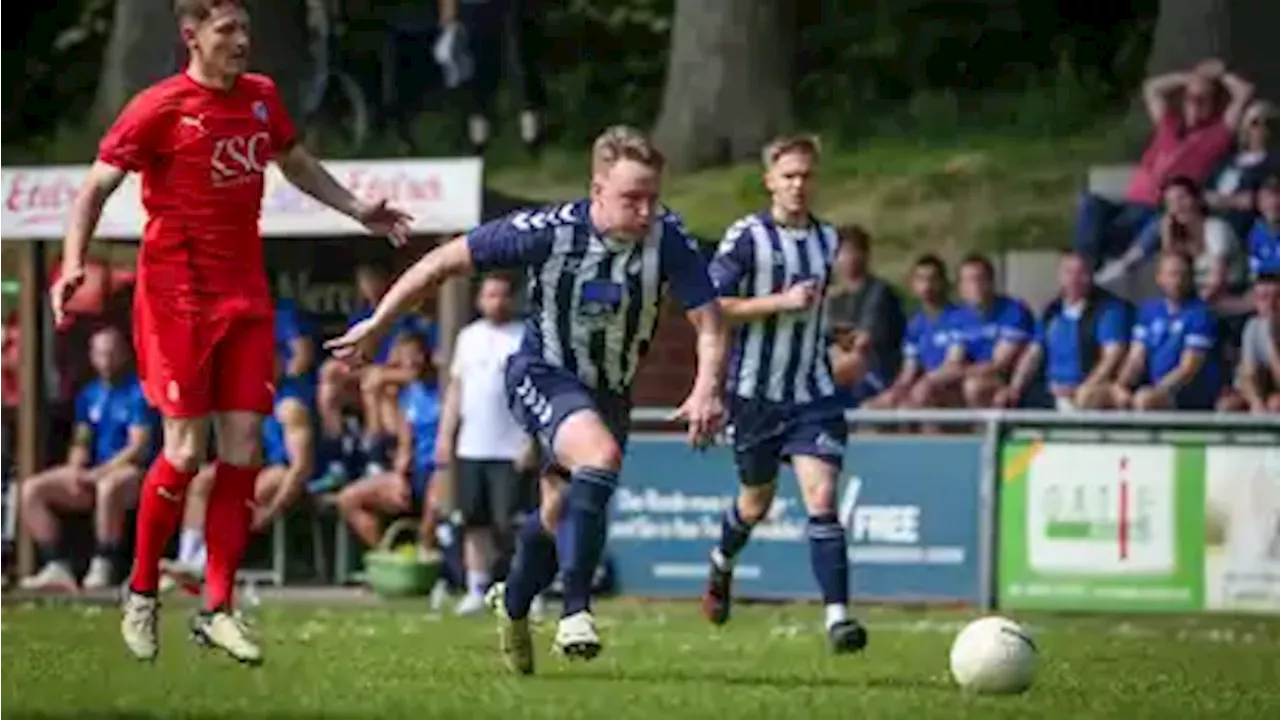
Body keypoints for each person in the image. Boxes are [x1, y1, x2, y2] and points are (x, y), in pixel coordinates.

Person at [50, 0, 411, 665]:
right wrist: (73, 262)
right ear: (192, 37)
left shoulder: (261, 98)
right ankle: (140, 591)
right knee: (186, 454)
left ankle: (217, 606)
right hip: (175, 298)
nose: (243, 42)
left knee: (243, 447)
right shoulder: (159, 106)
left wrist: (359, 209)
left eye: (245, 29)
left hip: (244, 296)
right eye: (228, 31)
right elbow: (95, 187)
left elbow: (295, 162)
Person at [325, 125, 725, 674]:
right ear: (597, 190)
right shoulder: (549, 230)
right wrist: (378, 323)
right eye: (632, 198)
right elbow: (442, 262)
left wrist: (706, 387)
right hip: (543, 373)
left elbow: (709, 321)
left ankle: (512, 605)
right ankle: (576, 613)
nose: (645, 211)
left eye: (653, 197)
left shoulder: (669, 238)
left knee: (557, 510)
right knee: (600, 458)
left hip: (608, 389)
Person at [697, 135, 867, 654]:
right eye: (788, 175)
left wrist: (831, 331)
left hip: (812, 392)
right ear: (769, 180)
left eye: (806, 176)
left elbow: (809, 309)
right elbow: (713, 305)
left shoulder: (828, 239)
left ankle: (838, 618)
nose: (798, 185)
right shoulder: (747, 237)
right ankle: (721, 563)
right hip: (754, 395)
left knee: (821, 497)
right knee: (755, 504)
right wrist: (781, 302)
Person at [162, 300, 321, 592]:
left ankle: (208, 565)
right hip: (257, 467)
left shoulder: (290, 406)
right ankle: (188, 556)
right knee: (204, 479)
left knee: (253, 484)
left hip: (288, 476)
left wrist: (271, 511)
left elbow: (301, 468)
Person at [19, 327, 156, 591]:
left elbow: (138, 446)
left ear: (125, 355)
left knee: (109, 488)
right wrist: (75, 467)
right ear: (92, 357)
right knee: (32, 489)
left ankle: (104, 563)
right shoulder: (89, 394)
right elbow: (82, 440)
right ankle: (56, 565)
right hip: (94, 472)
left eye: (112, 353)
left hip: (133, 473)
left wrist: (101, 472)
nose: (106, 360)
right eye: (101, 354)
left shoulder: (139, 393)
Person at [435, 273, 529, 615]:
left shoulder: (525, 338)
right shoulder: (468, 338)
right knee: (473, 520)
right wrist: (445, 436)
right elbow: (455, 390)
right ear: (480, 300)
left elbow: (533, 395)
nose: (497, 302)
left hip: (512, 447)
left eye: (503, 295)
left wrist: (531, 442)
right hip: (472, 445)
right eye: (490, 295)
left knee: (512, 524)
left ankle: (525, 589)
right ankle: (477, 587)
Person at [316, 263, 438, 487]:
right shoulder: (360, 316)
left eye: (373, 279)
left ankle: (375, 456)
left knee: (377, 384)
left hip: (398, 382)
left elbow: (414, 365)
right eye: (364, 281)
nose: (369, 286)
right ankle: (338, 455)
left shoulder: (403, 314)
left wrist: (380, 371)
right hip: (370, 375)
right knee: (329, 381)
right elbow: (354, 358)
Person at [335, 333, 443, 558]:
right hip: (415, 472)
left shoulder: (445, 390)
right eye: (404, 358)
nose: (411, 362)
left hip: (442, 469)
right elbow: (405, 442)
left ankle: (426, 556)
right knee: (348, 499)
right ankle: (389, 558)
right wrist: (399, 476)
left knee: (435, 502)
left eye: (416, 356)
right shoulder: (407, 397)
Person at [1005, 252, 1132, 411]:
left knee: (1087, 398)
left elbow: (1112, 357)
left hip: (1087, 390)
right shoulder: (1051, 311)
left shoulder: (1109, 310)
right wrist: (1014, 388)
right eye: (1069, 272)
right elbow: (1033, 354)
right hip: (1051, 390)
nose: (1074, 279)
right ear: (1060, 276)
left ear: (1091, 275)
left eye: (1081, 273)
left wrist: (1083, 387)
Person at [1110, 251, 1221, 411]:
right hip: (1152, 388)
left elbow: (1187, 369)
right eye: (1172, 275)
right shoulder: (1149, 310)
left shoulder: (1200, 314)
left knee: (1144, 400)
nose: (1177, 281)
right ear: (1159, 277)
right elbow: (1136, 358)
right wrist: (1121, 386)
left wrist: (1157, 390)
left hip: (1185, 393)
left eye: (1183, 275)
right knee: (1095, 395)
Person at [1217, 274, 1280, 413]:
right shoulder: (1253, 326)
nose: (1270, 304)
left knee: (1275, 404)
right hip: (1262, 388)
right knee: (1227, 406)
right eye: (1263, 298)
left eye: (1276, 297)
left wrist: (1271, 341)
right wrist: (1256, 402)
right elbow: (1248, 373)